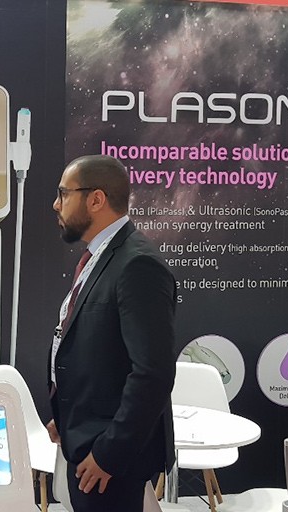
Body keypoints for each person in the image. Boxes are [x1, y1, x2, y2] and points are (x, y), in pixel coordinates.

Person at [46, 155, 177, 512]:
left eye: (63, 193)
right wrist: (68, 416)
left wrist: (110, 453)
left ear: (96, 199)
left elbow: (153, 373)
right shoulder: (100, 257)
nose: (56, 204)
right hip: (86, 437)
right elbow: (100, 354)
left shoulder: (137, 264)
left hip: (109, 458)